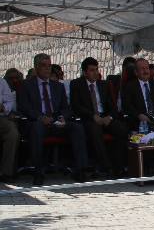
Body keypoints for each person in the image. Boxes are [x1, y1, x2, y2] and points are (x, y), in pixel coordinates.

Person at [18, 53, 89, 185]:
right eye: (43, 65)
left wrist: (62, 118)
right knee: (36, 129)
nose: (47, 68)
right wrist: (39, 117)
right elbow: (24, 107)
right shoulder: (27, 85)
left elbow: (66, 107)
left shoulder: (58, 86)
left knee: (77, 127)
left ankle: (80, 169)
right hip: (38, 122)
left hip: (56, 122)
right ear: (36, 67)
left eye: (49, 65)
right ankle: (38, 170)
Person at [70, 56, 128, 177]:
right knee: (95, 131)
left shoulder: (104, 85)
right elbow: (76, 106)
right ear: (84, 72)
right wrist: (93, 116)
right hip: (89, 118)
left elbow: (112, 107)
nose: (96, 73)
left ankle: (119, 165)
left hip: (104, 116)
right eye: (92, 70)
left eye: (96, 69)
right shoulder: (76, 84)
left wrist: (109, 117)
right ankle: (106, 166)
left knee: (121, 129)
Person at [0, 75, 20, 181]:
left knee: (13, 133)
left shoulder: (1, 82)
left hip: (1, 117)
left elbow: (10, 102)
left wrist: (3, 107)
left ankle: (6, 172)